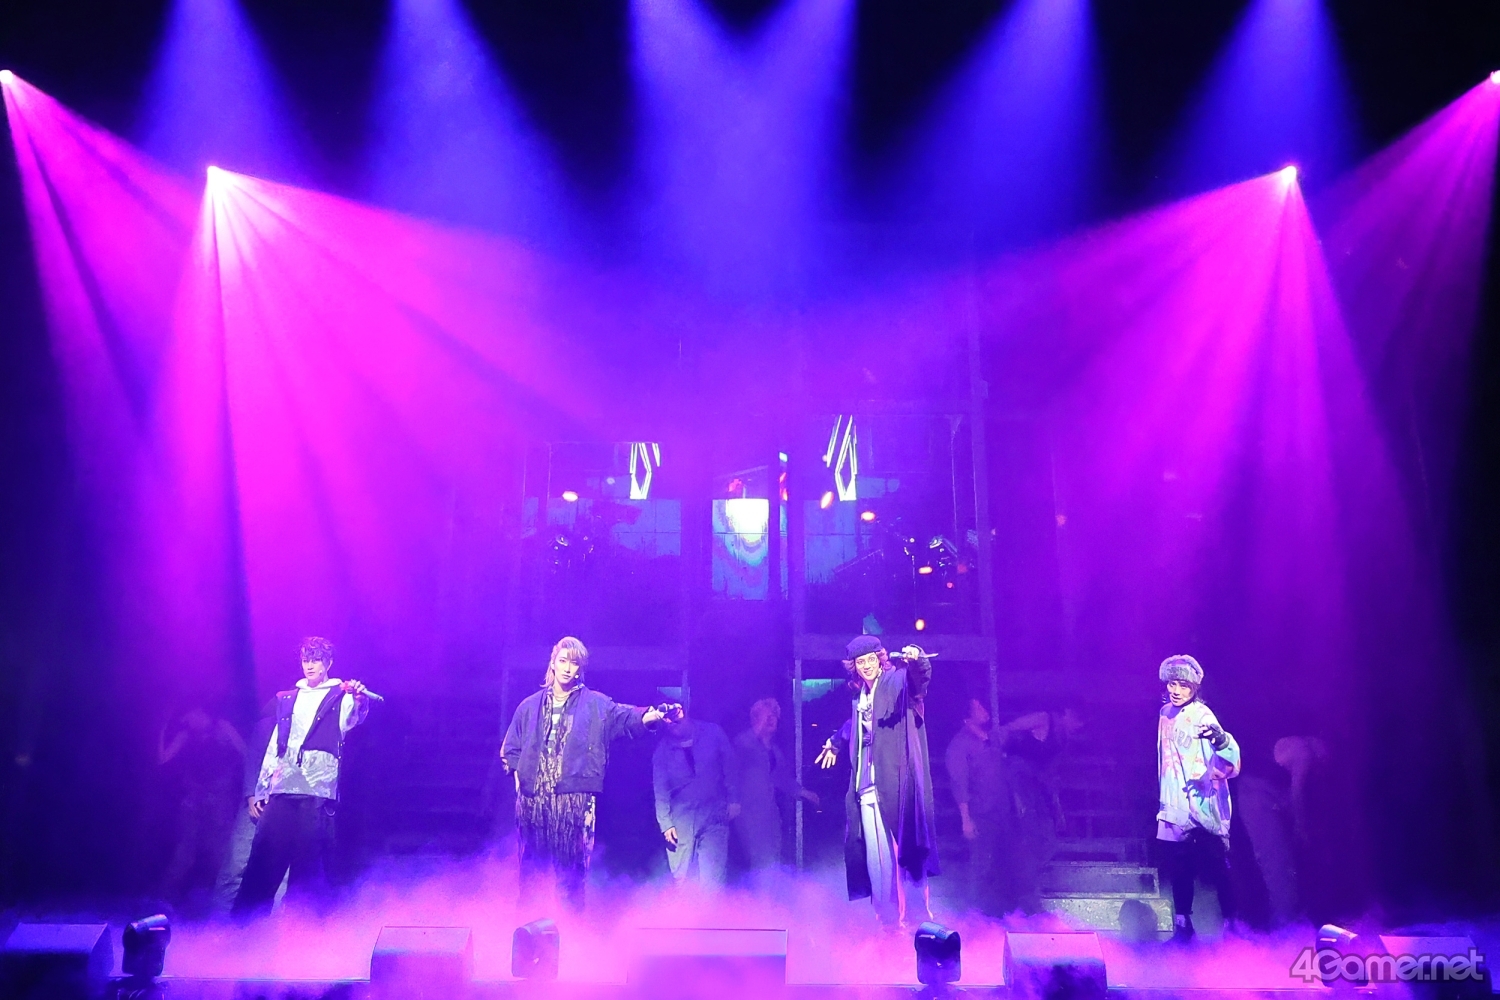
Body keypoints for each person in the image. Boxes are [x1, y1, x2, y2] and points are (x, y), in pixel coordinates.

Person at [501, 636, 676, 911]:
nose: (567, 668)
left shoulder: (595, 704)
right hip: (533, 800)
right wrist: (519, 779)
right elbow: (510, 749)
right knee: (532, 872)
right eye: (562, 661)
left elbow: (625, 718)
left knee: (570, 874)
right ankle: (526, 927)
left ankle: (570, 928)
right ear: (553, 663)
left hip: (575, 799)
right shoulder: (529, 706)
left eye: (574, 663)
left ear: (580, 668)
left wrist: (651, 716)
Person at [230, 637, 371, 922]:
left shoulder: (339, 696)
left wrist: (358, 699)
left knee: (308, 867)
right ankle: (244, 929)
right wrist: (261, 790)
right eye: (306, 659)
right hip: (283, 788)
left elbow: (351, 721)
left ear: (328, 663)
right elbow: (275, 746)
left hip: (316, 791)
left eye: (316, 659)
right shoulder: (287, 698)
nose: (309, 665)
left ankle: (300, 931)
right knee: (263, 860)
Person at [816, 635, 940, 930]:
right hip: (867, 788)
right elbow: (856, 725)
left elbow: (918, 683)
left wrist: (918, 659)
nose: (867, 666)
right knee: (877, 860)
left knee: (905, 852)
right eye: (861, 662)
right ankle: (887, 922)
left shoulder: (894, 681)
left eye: (871, 659)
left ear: (880, 659)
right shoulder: (861, 696)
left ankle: (914, 921)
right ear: (855, 667)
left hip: (895, 785)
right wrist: (835, 741)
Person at [1155, 654, 1240, 942]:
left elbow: (1231, 757)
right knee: (1179, 867)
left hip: (1203, 802)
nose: (1176, 690)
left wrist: (1220, 741)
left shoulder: (1203, 715)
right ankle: (1183, 926)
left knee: (1216, 865)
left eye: (1183, 685)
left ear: (1194, 688)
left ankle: (1231, 925)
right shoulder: (1165, 714)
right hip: (1175, 802)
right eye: (1172, 684)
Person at [158, 706, 246, 915]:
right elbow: (163, 758)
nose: (187, 722)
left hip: (220, 798)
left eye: (188, 717)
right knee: (185, 851)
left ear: (199, 712)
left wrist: (243, 785)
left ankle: (221, 902)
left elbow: (246, 753)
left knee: (219, 851)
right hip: (194, 798)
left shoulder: (223, 727)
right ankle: (165, 899)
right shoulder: (186, 735)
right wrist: (162, 729)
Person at [653, 708, 740, 887]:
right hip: (681, 819)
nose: (672, 722)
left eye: (676, 715)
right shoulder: (663, 751)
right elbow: (660, 789)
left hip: (714, 813)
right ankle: (685, 906)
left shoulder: (713, 733)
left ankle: (710, 906)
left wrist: (734, 799)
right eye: (667, 719)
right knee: (682, 878)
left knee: (713, 879)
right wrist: (666, 823)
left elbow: (730, 766)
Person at [733, 699, 818, 872]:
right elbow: (732, 771)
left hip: (769, 814)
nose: (772, 719)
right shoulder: (743, 742)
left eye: (774, 716)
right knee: (759, 861)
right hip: (748, 814)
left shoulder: (774, 751)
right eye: (767, 716)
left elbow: (781, 777)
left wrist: (803, 792)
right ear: (755, 718)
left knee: (773, 859)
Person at [944, 697, 1007, 914]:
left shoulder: (991, 739)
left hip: (1000, 810)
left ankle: (997, 912)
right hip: (980, 812)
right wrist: (966, 819)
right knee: (981, 865)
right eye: (977, 707)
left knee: (999, 863)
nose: (983, 709)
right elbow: (958, 783)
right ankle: (974, 915)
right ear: (967, 716)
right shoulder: (959, 745)